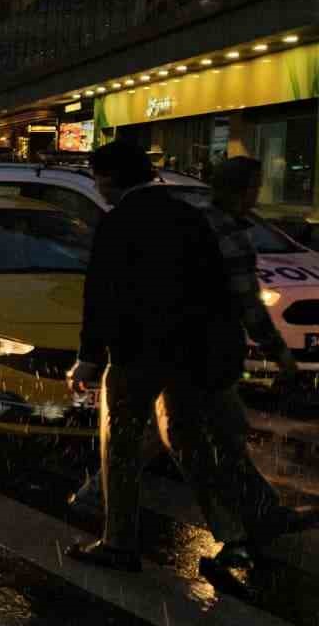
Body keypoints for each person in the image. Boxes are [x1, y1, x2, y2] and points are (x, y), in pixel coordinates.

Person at [65, 141, 277, 572]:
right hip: (189, 356)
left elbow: (101, 296)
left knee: (121, 447)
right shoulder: (186, 217)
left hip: (135, 355)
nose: (96, 184)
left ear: (109, 178)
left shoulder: (118, 222)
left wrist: (88, 357)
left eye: (97, 176)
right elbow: (215, 290)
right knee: (190, 444)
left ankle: (119, 542)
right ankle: (233, 536)